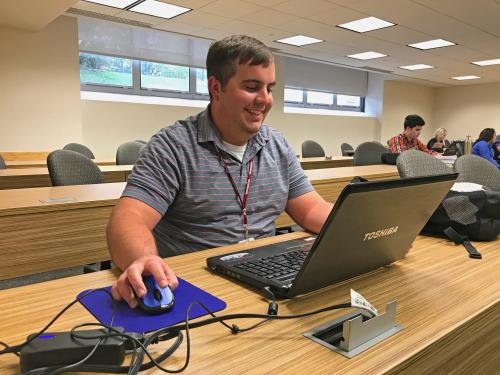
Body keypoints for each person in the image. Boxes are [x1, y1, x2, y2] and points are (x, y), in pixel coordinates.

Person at [107, 35, 334, 308]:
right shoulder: (173, 146)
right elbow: (127, 220)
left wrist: (361, 225)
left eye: (269, 88)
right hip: (197, 284)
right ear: (216, 88)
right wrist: (144, 258)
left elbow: (311, 209)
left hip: (264, 280)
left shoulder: (277, 145)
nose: (265, 100)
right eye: (252, 87)